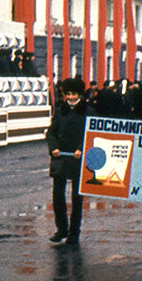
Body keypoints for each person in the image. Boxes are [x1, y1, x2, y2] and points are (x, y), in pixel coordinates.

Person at [46, 78, 91, 245]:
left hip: (79, 158)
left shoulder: (89, 112)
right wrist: (54, 148)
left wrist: (82, 148)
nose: (71, 97)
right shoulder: (59, 111)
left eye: (74, 94)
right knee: (58, 195)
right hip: (61, 157)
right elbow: (51, 133)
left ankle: (74, 233)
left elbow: (92, 134)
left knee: (77, 198)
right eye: (68, 94)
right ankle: (61, 229)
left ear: (80, 94)